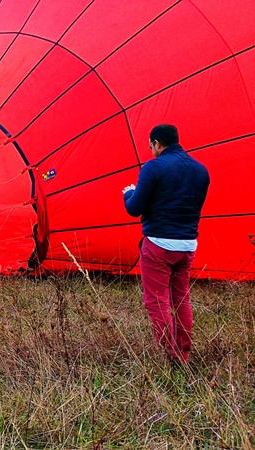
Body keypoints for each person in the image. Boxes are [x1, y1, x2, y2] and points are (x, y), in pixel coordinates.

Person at [123, 124, 210, 364]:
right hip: (187, 246)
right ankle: (183, 353)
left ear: (157, 144)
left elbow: (134, 208)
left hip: (159, 245)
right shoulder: (201, 170)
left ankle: (168, 357)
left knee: (156, 300)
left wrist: (128, 193)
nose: (150, 150)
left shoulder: (153, 167)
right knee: (181, 298)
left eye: (150, 146)